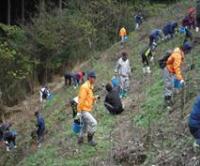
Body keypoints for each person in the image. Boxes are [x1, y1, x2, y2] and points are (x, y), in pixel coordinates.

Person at [163, 42, 192, 108]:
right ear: (185, 49)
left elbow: (177, 66)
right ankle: (168, 103)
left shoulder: (179, 52)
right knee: (168, 85)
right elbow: (176, 68)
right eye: (188, 51)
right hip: (168, 70)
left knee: (175, 83)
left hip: (172, 71)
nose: (188, 53)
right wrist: (181, 79)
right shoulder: (178, 55)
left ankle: (175, 96)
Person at [77, 71, 99, 146]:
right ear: (89, 78)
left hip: (86, 109)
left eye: (95, 77)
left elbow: (88, 97)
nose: (95, 79)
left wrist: (94, 98)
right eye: (94, 78)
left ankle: (80, 139)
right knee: (94, 123)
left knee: (84, 126)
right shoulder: (84, 87)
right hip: (83, 110)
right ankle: (90, 140)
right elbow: (81, 99)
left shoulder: (90, 86)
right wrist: (79, 111)